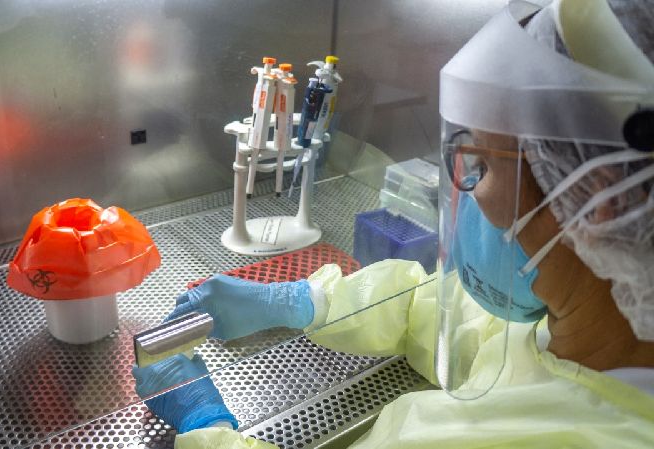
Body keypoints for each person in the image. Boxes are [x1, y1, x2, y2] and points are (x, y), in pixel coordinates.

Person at [134, 0, 654, 447]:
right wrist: (300, 301)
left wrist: (205, 427)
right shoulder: (575, 326)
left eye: (484, 166)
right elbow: (444, 317)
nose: (466, 190)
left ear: (597, 202)